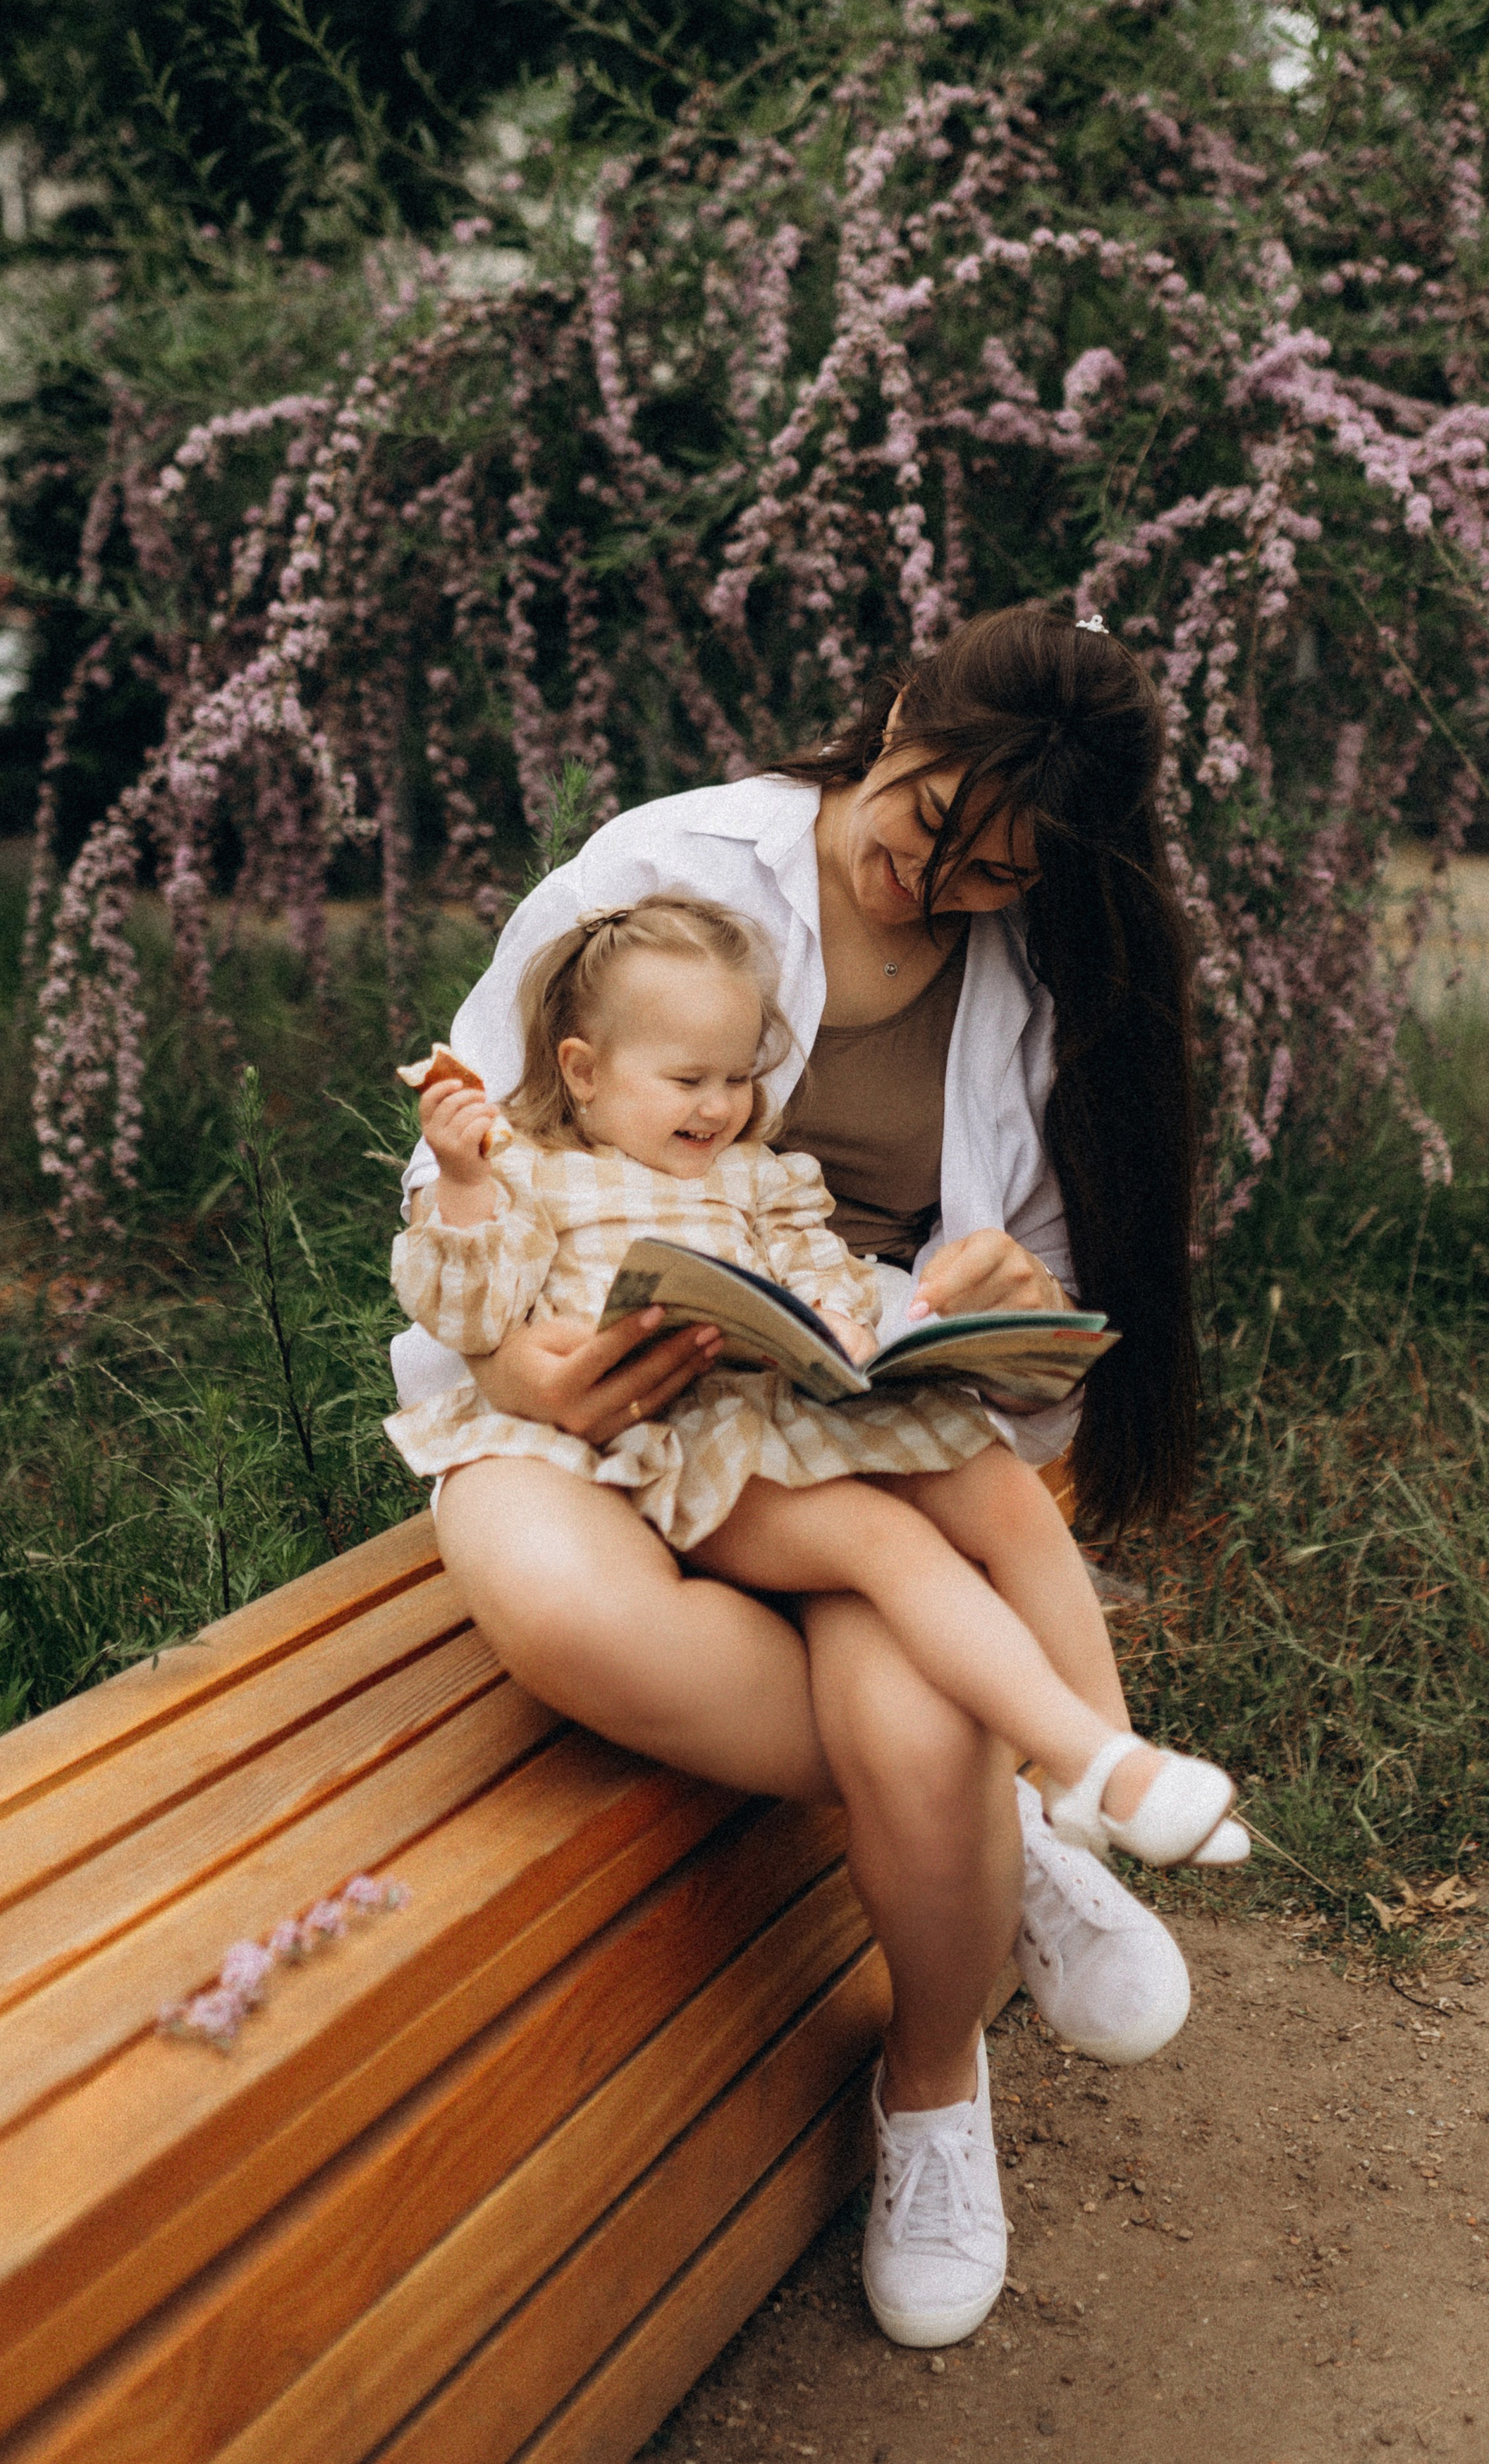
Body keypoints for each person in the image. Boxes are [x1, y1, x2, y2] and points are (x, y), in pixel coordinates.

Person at [392, 603, 1216, 2347]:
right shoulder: (667, 872)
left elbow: (1033, 1318)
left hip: (838, 1407)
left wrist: (985, 1294)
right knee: (572, 1612)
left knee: (914, 1707)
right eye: (928, 822)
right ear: (896, 714)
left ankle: (931, 2088)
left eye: (996, 872)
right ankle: (1015, 1817)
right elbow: (471, 1156)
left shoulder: (1037, 975)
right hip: (585, 1379)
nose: (938, 882)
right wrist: (523, 1364)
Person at [388, 892, 1245, 1911]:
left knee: (1001, 1489)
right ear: (583, 1071)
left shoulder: (756, 1176)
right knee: (888, 1543)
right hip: (688, 1447)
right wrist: (463, 1180)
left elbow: (818, 1267)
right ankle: (1089, 1761)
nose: (718, 1105)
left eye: (738, 1077)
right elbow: (472, 1312)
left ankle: (1104, 1760)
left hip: (794, 1414)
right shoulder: (537, 1175)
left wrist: (843, 1327)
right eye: (687, 1080)